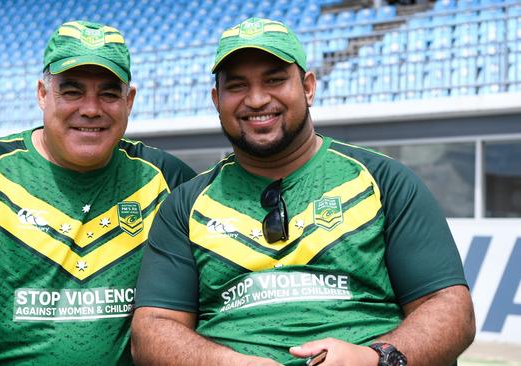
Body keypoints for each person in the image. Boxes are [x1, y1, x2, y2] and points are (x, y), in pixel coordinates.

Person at [131, 17, 475, 366]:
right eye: (237, 86)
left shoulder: (384, 180)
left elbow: (449, 308)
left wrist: (374, 358)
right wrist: (231, 363)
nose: (256, 98)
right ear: (217, 99)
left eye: (275, 80)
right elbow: (153, 331)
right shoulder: (185, 205)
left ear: (308, 87)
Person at [0, 20, 195, 365]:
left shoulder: (166, 178)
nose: (91, 108)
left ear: (130, 101)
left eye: (109, 93)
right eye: (72, 91)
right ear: (42, 94)